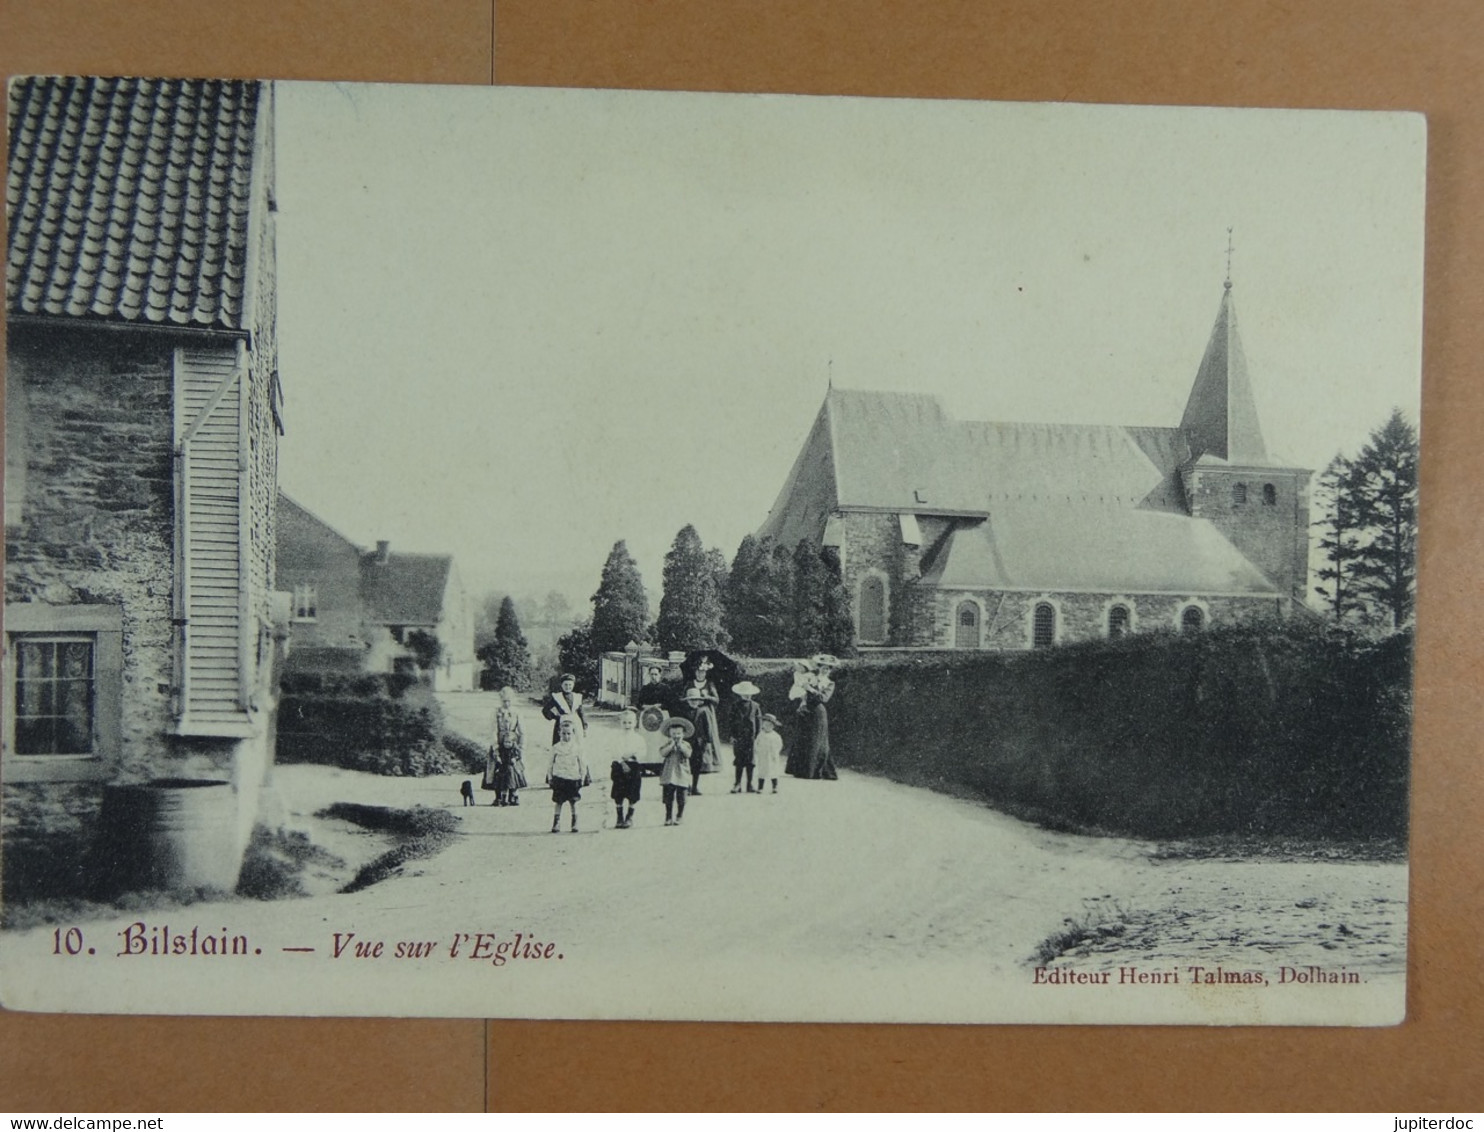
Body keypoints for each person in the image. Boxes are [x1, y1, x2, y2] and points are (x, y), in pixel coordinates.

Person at [793, 654, 838, 780]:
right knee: (804, 737)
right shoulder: (810, 677)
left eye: (828, 668)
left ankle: (815, 771)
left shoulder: (830, 683)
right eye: (823, 667)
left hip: (818, 712)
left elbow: (824, 698)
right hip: (806, 709)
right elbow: (799, 689)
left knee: (817, 739)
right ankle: (801, 770)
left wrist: (811, 690)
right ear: (819, 667)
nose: (825, 670)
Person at [544, 716, 590, 833]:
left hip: (573, 778)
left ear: (573, 734)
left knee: (573, 801)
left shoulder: (578, 748)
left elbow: (582, 764)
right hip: (560, 778)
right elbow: (550, 763)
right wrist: (550, 777)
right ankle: (556, 822)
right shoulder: (555, 748)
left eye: (569, 733)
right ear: (559, 733)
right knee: (558, 801)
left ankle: (575, 822)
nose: (566, 736)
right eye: (564, 733)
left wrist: (583, 777)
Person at [609, 707, 645, 828]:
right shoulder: (616, 737)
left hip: (633, 765)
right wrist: (621, 762)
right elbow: (613, 751)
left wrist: (633, 756)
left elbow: (642, 751)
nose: (627, 725)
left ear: (635, 723)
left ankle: (629, 817)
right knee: (618, 792)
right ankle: (619, 817)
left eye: (630, 722)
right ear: (620, 723)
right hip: (619, 766)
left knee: (632, 791)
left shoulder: (638, 738)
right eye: (624, 722)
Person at [490, 685, 527, 806]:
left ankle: (514, 794)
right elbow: (493, 730)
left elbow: (522, 730)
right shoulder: (497, 712)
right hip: (501, 743)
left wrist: (521, 746)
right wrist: (495, 746)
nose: (506, 703)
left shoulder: (516, 712)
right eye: (504, 701)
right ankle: (499, 796)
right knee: (498, 769)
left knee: (514, 769)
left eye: (509, 701)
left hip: (512, 743)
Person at [657, 716, 695, 827]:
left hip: (682, 774)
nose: (676, 736)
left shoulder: (686, 744)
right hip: (669, 774)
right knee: (668, 797)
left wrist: (680, 746)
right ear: (669, 734)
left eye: (678, 734)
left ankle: (679, 815)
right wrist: (671, 745)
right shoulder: (667, 744)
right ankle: (668, 816)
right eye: (673, 734)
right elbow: (662, 753)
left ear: (683, 734)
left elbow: (688, 754)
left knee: (681, 797)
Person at [681, 684, 718, 795]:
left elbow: (708, 727)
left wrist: (708, 742)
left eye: (696, 700)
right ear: (687, 701)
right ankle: (686, 786)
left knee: (697, 765)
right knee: (686, 765)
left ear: (699, 701)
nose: (694, 702)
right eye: (691, 700)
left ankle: (695, 787)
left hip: (699, 742)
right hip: (687, 742)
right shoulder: (683, 712)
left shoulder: (703, 711)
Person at [729, 680, 762, 793]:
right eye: (744, 693)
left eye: (749, 693)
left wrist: (758, 735)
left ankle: (750, 784)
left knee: (751, 761)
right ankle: (737, 783)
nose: (747, 695)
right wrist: (732, 735)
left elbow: (758, 721)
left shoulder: (756, 706)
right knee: (739, 760)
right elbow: (731, 721)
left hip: (751, 737)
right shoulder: (735, 706)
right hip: (739, 737)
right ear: (740, 694)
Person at [542, 673, 588, 744]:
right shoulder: (557, 697)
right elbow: (545, 710)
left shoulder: (577, 697)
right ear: (562, 685)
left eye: (570, 685)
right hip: (562, 722)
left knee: (576, 742)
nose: (568, 687)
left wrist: (584, 726)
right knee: (560, 743)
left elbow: (581, 712)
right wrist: (555, 717)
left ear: (573, 685)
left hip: (575, 722)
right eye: (565, 685)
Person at [753, 713, 784, 794]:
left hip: (772, 756)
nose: (767, 727)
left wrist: (775, 752)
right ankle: (760, 788)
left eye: (770, 725)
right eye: (765, 725)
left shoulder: (776, 736)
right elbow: (756, 743)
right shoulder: (761, 734)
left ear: (773, 726)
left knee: (773, 771)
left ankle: (775, 786)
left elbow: (779, 745)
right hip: (763, 755)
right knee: (762, 771)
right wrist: (758, 751)